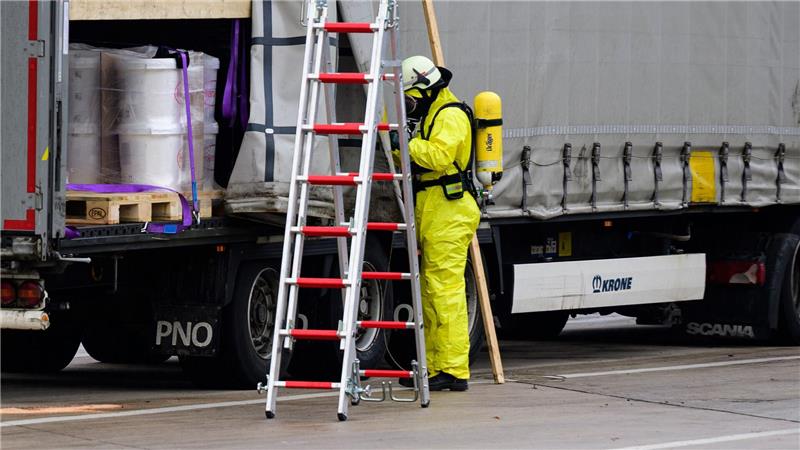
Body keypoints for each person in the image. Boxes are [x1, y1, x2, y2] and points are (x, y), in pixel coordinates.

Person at [393, 55, 480, 391]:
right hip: (434, 207)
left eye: (412, 98)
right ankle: (434, 368)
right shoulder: (431, 113)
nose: (410, 105)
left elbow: (440, 157)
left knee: (445, 292)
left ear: (427, 89)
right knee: (431, 293)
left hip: (450, 209)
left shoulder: (450, 114)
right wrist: (396, 147)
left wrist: (407, 143)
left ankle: (454, 371)